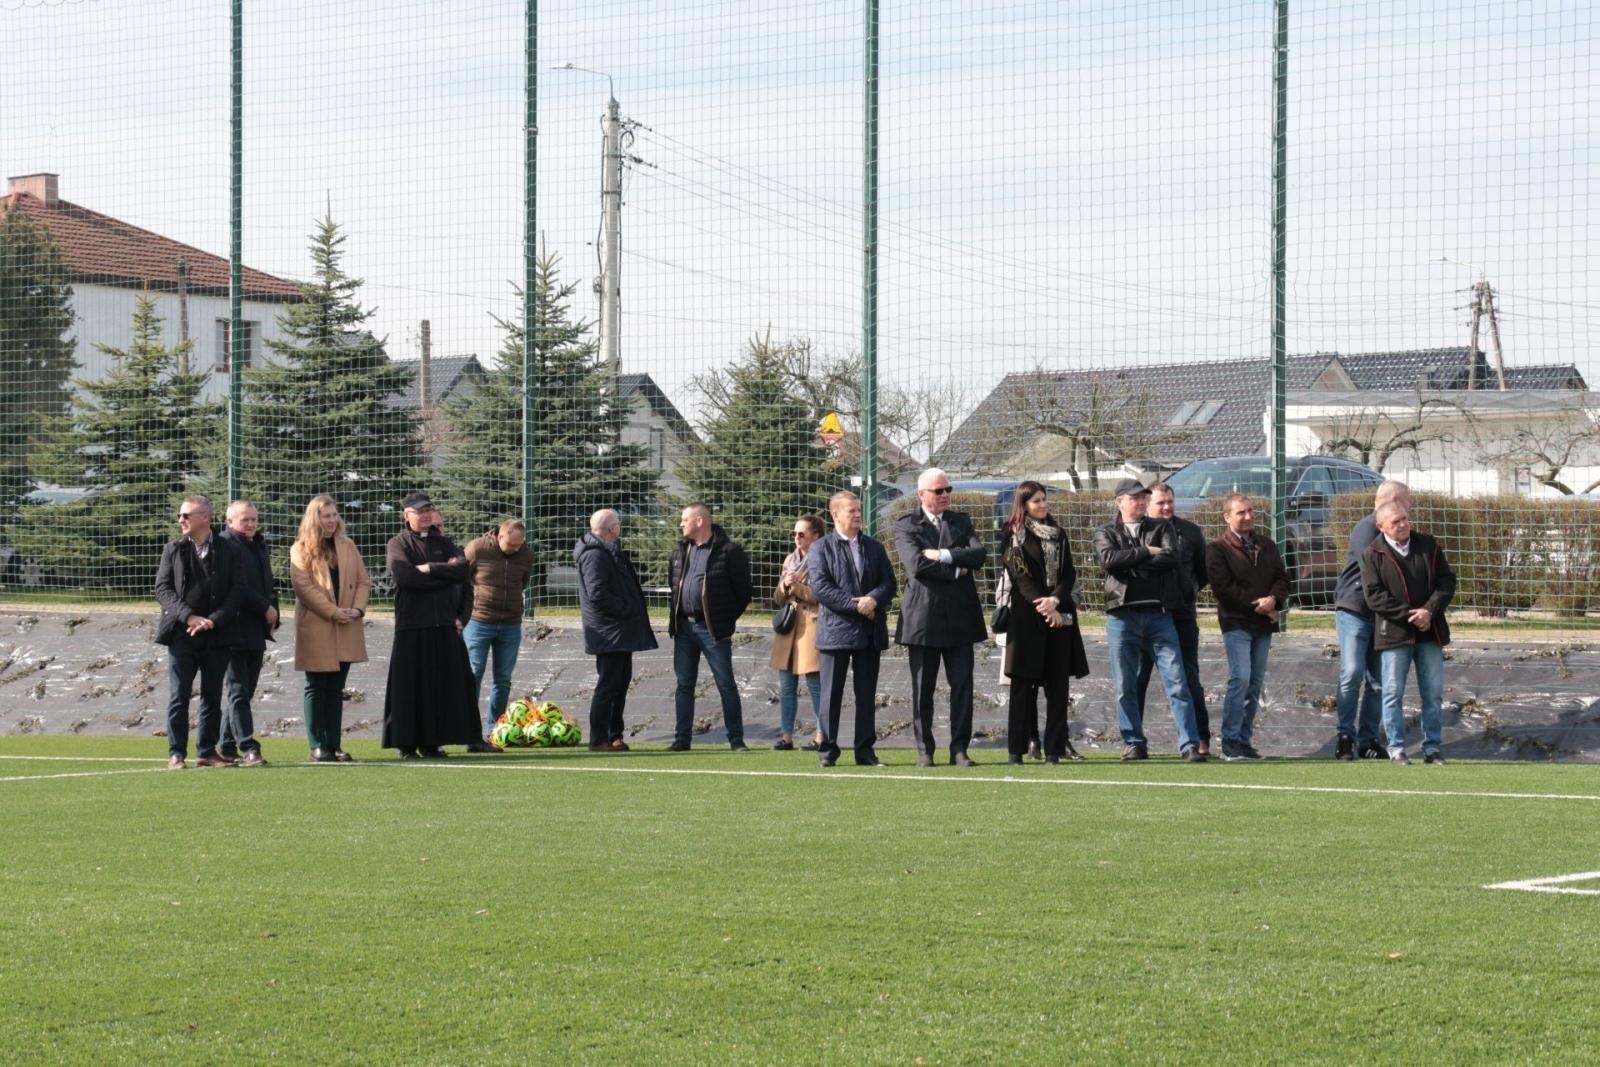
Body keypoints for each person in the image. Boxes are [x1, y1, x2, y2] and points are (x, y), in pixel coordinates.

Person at [1094, 479, 1204, 762]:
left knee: (1177, 681)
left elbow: (1170, 558)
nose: (1141, 503)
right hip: (1122, 616)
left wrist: (1131, 565)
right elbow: (1109, 560)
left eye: (1144, 498)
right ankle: (1134, 743)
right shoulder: (1105, 531)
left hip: (1159, 615)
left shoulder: (1162, 527)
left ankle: (1189, 745)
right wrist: (1145, 553)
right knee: (1125, 685)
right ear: (1120, 502)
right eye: (1135, 498)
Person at [894, 468, 988, 767]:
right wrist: (957, 569)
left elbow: (978, 555)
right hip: (924, 618)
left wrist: (944, 555)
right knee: (923, 688)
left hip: (961, 617)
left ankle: (959, 748)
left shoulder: (961, 520)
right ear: (922, 495)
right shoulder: (907, 525)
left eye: (948, 489)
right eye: (939, 491)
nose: (946, 495)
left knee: (962, 686)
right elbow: (917, 566)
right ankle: (925, 749)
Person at [383, 492, 482, 758]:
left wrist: (428, 568)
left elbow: (462, 571)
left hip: (443, 627)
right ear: (406, 516)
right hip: (412, 626)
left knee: (438, 688)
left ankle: (431, 743)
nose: (425, 515)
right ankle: (406, 745)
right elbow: (405, 577)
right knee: (409, 688)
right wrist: (441, 573)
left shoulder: (445, 542)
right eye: (419, 511)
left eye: (428, 510)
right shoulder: (398, 544)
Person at [1000, 481, 1089, 765]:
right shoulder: (1012, 534)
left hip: (1058, 616)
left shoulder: (1059, 534)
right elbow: (1019, 576)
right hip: (1027, 619)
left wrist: (1055, 601)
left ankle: (1054, 750)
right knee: (1022, 687)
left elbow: (1068, 573)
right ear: (1023, 504)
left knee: (1058, 685)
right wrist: (1043, 604)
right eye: (1036, 501)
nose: (1042, 505)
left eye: (1044, 500)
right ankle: (1016, 750)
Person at [1360, 501, 1455, 765]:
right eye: (1395, 522)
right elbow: (1374, 596)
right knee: (1392, 693)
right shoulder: (1372, 554)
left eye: (1404, 519)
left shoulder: (1428, 545)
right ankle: (1396, 748)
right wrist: (1410, 615)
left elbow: (1446, 581)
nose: (1402, 525)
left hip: (1430, 631)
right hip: (1394, 634)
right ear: (1381, 526)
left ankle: (1432, 748)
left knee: (1433, 693)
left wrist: (1428, 611)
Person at [154, 495, 243, 770]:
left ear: (205, 517)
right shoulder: (173, 549)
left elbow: (237, 591)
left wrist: (213, 620)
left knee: (212, 696)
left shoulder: (228, 550)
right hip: (182, 634)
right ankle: (176, 753)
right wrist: (189, 616)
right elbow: (163, 590)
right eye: (180, 516)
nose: (181, 520)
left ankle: (206, 751)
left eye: (186, 515)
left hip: (217, 635)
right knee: (179, 695)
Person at [807, 492, 897, 768]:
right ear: (835, 515)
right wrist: (854, 605)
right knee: (830, 695)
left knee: (866, 695)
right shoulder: (820, 548)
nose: (858, 515)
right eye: (851, 511)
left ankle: (865, 751)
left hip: (869, 633)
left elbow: (888, 582)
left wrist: (873, 599)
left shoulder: (874, 547)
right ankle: (828, 750)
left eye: (859, 510)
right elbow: (821, 587)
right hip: (836, 633)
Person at [1206, 493, 1289, 762]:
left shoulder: (1266, 544)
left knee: (1254, 684)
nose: (1248, 516)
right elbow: (1224, 589)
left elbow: (1281, 577)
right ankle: (1229, 742)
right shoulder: (1217, 549)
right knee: (1239, 679)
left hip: (1262, 626)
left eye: (1251, 511)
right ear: (1227, 516)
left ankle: (1244, 741)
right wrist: (1261, 606)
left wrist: (1274, 599)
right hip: (1236, 623)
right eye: (1241, 512)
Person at [1333, 480, 1411, 760]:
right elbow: (1383, 571)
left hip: (1382, 615)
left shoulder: (1400, 532)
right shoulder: (1369, 528)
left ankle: (1367, 741)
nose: (1409, 508)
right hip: (1355, 609)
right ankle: (1345, 736)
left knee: (1378, 682)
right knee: (1352, 673)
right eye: (1406, 501)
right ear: (1392, 500)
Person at [288, 494, 370, 762]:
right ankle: (317, 745)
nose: (333, 520)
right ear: (315, 518)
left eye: (335, 515)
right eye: (327, 516)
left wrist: (357, 610)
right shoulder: (300, 548)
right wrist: (333, 612)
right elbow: (304, 588)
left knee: (336, 688)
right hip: (318, 625)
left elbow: (362, 582)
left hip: (347, 624)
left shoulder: (348, 546)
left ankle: (334, 745)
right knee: (316, 685)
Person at [667, 503, 753, 752]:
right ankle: (682, 739)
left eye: (685, 519)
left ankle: (736, 739)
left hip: (712, 630)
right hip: (684, 629)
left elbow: (743, 592)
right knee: (684, 685)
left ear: (700, 521)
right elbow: (673, 587)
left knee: (726, 684)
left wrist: (723, 618)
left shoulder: (728, 551)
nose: (681, 524)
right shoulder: (680, 550)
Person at [1136, 481, 1212, 753]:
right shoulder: (1137, 531)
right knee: (1137, 678)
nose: (1167, 507)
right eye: (1160, 502)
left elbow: (1202, 573)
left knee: (1188, 677)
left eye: (1170, 501)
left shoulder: (1190, 532)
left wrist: (1184, 593)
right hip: (1143, 614)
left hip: (1182, 615)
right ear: (1147, 504)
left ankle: (1200, 739)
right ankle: (1134, 741)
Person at [575, 508, 658, 752]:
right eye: (618, 524)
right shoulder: (595, 555)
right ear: (611, 528)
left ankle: (614, 735)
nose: (620, 528)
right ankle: (599, 738)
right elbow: (598, 595)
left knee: (620, 683)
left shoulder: (608, 551)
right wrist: (628, 608)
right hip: (609, 631)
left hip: (619, 631)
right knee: (609, 684)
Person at [216, 499, 277, 767]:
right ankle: (249, 746)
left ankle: (227, 746)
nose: (251, 524)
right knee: (238, 690)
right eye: (245, 520)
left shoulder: (258, 545)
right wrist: (265, 607)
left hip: (255, 630)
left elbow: (267, 583)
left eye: (253, 519)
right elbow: (236, 586)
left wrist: (273, 610)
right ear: (229, 522)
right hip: (232, 630)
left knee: (244, 691)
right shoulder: (225, 546)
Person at [464, 518, 533, 748]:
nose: (516, 548)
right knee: (473, 674)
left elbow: (523, 582)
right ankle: (469, 730)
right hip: (479, 621)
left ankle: (495, 729)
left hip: (511, 624)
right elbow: (462, 579)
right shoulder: (477, 549)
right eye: (512, 544)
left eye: (520, 545)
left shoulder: (525, 553)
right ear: (500, 536)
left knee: (503, 679)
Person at [769, 514, 825, 750]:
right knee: (787, 686)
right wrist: (784, 585)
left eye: (801, 533)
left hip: (811, 626)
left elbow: (822, 595)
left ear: (816, 536)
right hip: (788, 629)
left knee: (815, 685)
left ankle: (822, 736)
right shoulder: (789, 560)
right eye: (794, 533)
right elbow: (777, 599)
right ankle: (787, 737)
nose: (796, 537)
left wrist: (797, 587)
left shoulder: (822, 558)